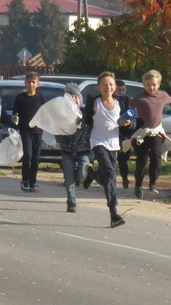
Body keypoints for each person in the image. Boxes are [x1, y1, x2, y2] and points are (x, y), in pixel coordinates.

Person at [130, 69, 171, 199]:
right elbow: (129, 109)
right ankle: (138, 185)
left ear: (159, 84)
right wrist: (124, 119)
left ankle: (153, 184)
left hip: (156, 131)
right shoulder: (139, 98)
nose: (151, 87)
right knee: (142, 160)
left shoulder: (162, 96)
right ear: (144, 85)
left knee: (156, 156)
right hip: (142, 133)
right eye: (148, 85)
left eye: (154, 85)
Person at [85, 72, 127, 228]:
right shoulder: (95, 103)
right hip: (98, 142)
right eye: (104, 84)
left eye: (110, 84)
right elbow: (86, 119)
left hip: (114, 144)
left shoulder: (121, 103)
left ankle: (93, 174)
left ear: (115, 87)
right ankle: (114, 213)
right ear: (99, 88)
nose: (108, 87)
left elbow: (131, 120)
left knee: (108, 178)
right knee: (110, 173)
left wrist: (128, 123)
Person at [54, 84, 92, 213]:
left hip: (83, 150)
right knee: (69, 177)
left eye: (76, 97)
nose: (74, 100)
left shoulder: (87, 112)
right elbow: (57, 130)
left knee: (82, 174)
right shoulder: (63, 113)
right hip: (67, 150)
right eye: (71, 98)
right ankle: (71, 201)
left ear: (80, 99)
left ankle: (79, 180)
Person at [11, 71, 46, 192]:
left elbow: (44, 113)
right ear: (25, 83)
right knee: (28, 155)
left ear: (37, 84)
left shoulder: (40, 98)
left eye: (33, 82)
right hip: (25, 130)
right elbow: (15, 114)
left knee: (36, 157)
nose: (31, 84)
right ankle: (25, 181)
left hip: (38, 131)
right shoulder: (20, 97)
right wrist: (15, 122)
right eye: (29, 82)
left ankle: (33, 182)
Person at [115, 79, 135, 188]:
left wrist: (129, 123)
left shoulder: (128, 101)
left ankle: (124, 178)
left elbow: (134, 119)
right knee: (111, 158)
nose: (121, 92)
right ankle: (110, 179)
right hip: (112, 132)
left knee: (123, 158)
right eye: (119, 90)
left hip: (124, 134)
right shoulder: (110, 100)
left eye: (123, 90)